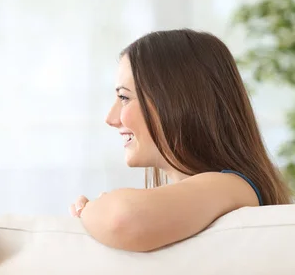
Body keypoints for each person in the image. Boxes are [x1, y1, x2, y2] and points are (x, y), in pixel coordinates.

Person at [70, 29, 292, 252]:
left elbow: (121, 218)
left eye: (124, 98)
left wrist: (89, 210)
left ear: (174, 101)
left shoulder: (235, 187)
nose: (111, 118)